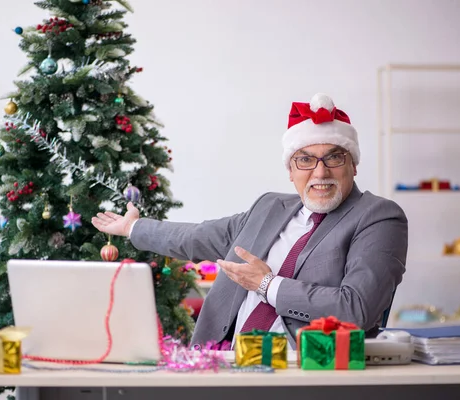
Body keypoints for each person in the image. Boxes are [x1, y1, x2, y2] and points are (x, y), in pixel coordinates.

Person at [92, 93, 408, 350]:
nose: (320, 172)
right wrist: (132, 228)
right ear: (291, 170)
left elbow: (356, 309)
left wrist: (266, 285)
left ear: (353, 164)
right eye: (306, 160)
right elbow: (199, 237)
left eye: (334, 157)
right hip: (221, 361)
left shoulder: (378, 216)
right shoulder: (270, 207)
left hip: (304, 371)